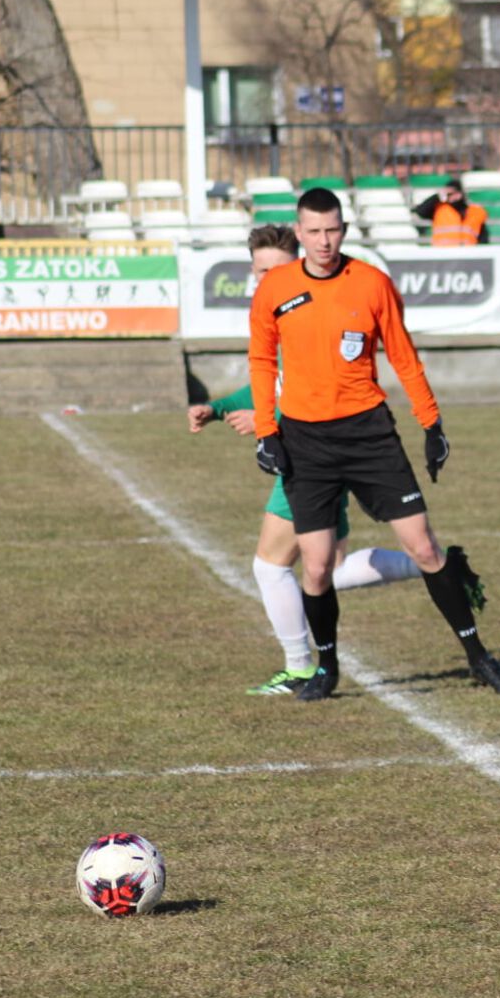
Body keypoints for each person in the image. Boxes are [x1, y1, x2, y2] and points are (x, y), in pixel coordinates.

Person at [249, 186, 500, 701]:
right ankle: (325, 668)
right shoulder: (274, 289)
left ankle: (479, 657)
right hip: (305, 440)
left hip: (369, 434)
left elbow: (403, 355)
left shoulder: (371, 283)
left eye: (332, 230)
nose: (324, 241)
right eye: (314, 232)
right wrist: (267, 431)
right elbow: (262, 361)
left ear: (344, 230)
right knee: (316, 565)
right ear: (300, 233)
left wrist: (432, 423)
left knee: (423, 546)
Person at [189, 223, 432, 694]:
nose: (264, 280)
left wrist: (267, 422)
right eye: (258, 271)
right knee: (329, 568)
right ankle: (439, 566)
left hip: (312, 454)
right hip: (313, 450)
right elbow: (276, 381)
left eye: (272, 270)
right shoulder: (280, 308)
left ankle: (300, 664)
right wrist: (219, 409)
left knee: (272, 565)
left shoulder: (309, 302)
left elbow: (319, 393)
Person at [411, 178, 488, 246]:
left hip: (468, 255)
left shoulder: (475, 211)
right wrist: (437, 197)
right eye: (447, 194)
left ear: (460, 194)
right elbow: (420, 212)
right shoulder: (438, 209)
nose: (450, 197)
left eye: (451, 194)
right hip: (444, 255)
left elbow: (483, 236)